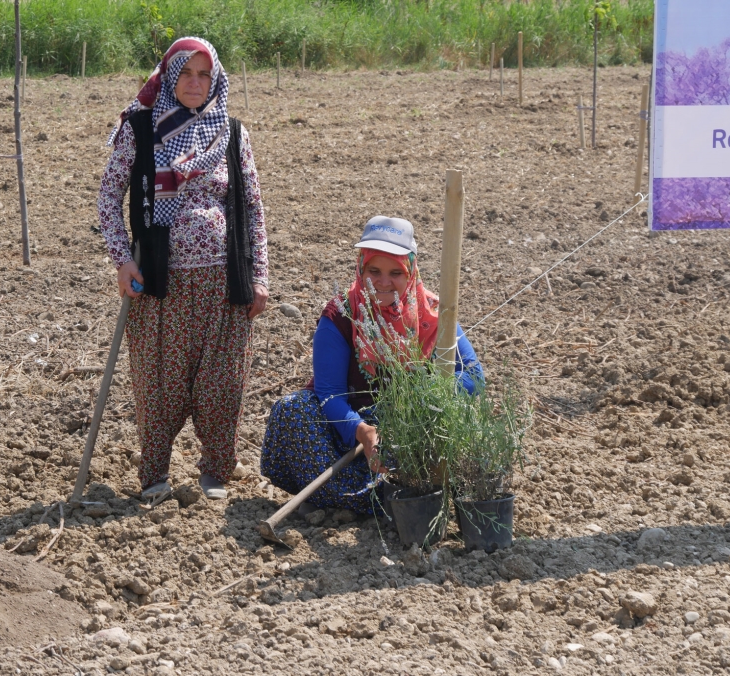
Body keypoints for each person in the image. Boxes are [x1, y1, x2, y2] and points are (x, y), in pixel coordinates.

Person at [97, 37, 268, 503]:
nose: (195, 83)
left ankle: (215, 470)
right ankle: (154, 476)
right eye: (186, 73)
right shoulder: (139, 129)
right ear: (170, 77)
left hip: (223, 279)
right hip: (159, 283)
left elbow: (252, 208)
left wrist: (261, 277)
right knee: (158, 384)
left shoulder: (231, 132)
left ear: (215, 80)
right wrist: (122, 259)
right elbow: (109, 198)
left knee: (221, 381)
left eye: (204, 75)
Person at [260, 216, 483, 514]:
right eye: (373, 271)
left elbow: (473, 377)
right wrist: (362, 431)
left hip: (410, 432)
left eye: (396, 272)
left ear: (411, 272)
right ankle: (381, 499)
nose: (383, 281)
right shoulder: (340, 314)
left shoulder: (433, 314)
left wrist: (425, 398)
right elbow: (329, 393)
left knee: (454, 419)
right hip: (346, 434)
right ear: (360, 268)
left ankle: (399, 493)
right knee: (292, 411)